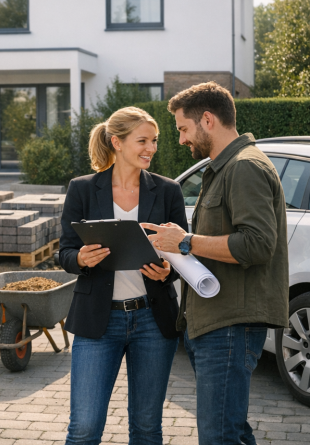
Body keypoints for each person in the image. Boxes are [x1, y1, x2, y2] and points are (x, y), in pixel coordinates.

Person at [143, 82, 289, 444]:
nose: (180, 139)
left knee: (219, 436)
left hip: (230, 326)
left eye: (183, 128)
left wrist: (186, 241)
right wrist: (178, 249)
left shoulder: (244, 167)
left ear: (207, 120)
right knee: (231, 431)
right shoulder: (224, 168)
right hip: (216, 323)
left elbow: (257, 244)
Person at [59, 107, 188, 444]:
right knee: (84, 428)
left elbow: (181, 254)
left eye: (154, 141)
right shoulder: (82, 189)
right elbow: (65, 252)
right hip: (97, 322)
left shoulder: (169, 190)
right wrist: (81, 259)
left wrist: (167, 271)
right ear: (117, 142)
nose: (151, 148)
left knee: (147, 428)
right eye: (142, 141)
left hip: (153, 321)